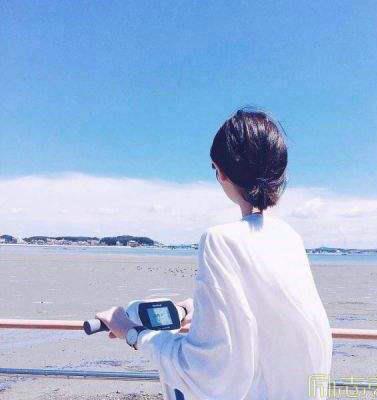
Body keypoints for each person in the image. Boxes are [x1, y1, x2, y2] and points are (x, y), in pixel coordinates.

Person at [96, 109, 333, 399]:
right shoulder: (289, 238)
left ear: (221, 172)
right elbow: (266, 318)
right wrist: (200, 308)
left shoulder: (219, 240)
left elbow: (205, 370)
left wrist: (132, 332)